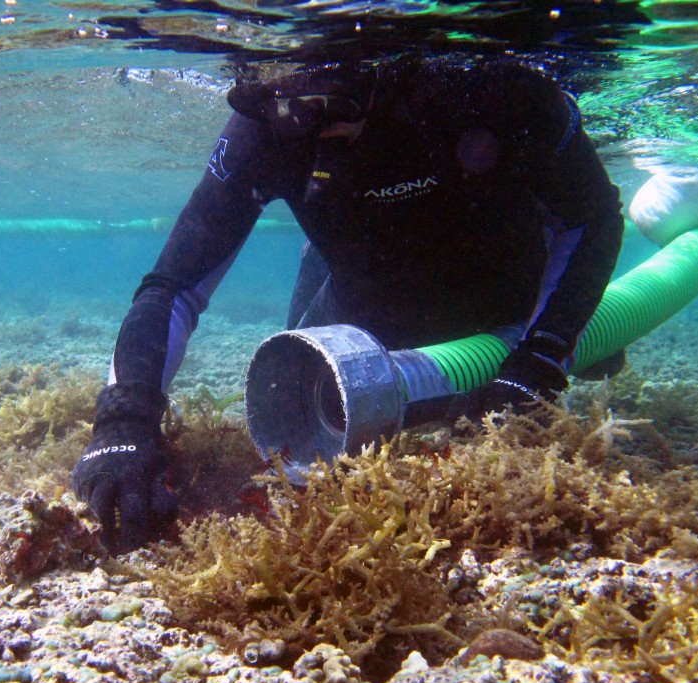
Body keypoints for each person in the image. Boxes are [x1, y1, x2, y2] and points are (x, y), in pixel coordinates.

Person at [72, 53, 625, 549]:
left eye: (325, 101)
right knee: (293, 400)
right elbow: (173, 284)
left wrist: (545, 350)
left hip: (509, 302)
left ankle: (580, 342)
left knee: (589, 357)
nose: (300, 122)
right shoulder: (262, 131)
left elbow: (592, 218)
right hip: (366, 308)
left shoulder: (488, 91)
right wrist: (125, 418)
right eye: (278, 100)